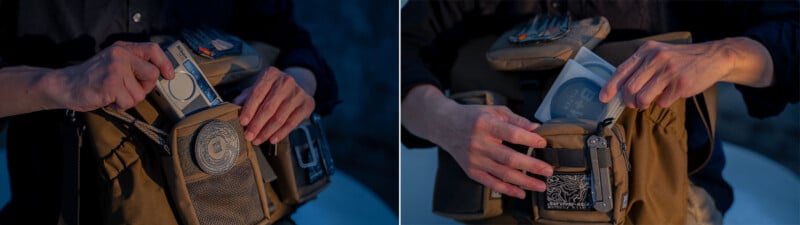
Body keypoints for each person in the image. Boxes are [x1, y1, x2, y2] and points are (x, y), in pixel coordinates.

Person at [401, 0, 798, 223]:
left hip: (661, 209)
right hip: (506, 212)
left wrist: (725, 55)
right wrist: (439, 119)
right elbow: (403, 47)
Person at [0, 0, 338, 224]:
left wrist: (298, 82)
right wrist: (61, 83)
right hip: (62, 208)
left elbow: (287, 39)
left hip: (235, 208)